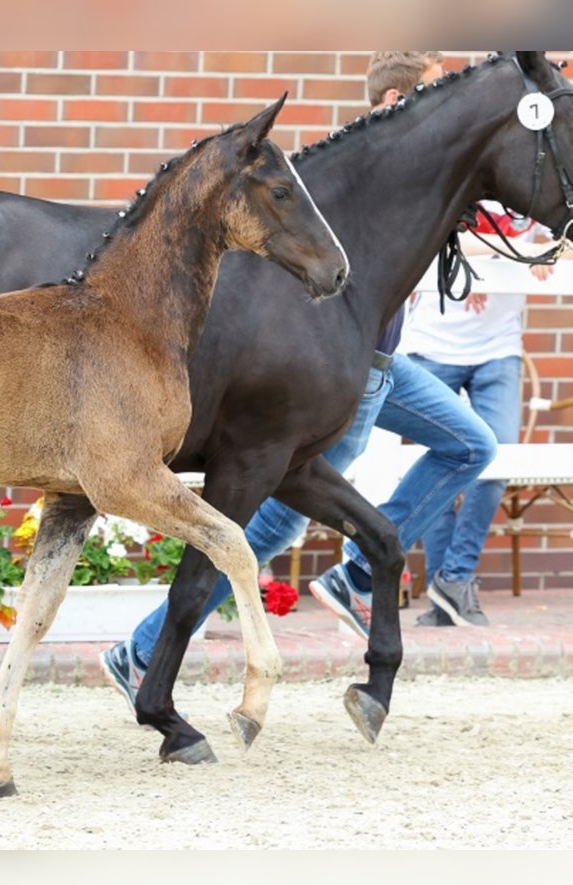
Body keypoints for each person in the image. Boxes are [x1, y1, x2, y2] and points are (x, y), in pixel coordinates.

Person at [101, 51, 499, 706]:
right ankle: (145, 652)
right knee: (270, 511)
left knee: (469, 445)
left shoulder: (413, 178)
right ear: (393, 102)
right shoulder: (355, 176)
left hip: (381, 369)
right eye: (430, 94)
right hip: (336, 372)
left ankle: (353, 577)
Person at [398, 203, 554, 625]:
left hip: (498, 353)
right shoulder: (464, 180)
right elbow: (431, 237)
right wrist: (495, 258)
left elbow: (560, 239)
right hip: (432, 349)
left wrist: (544, 249)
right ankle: (447, 594)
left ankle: (455, 578)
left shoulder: (530, 194)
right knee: (440, 468)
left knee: (499, 462)